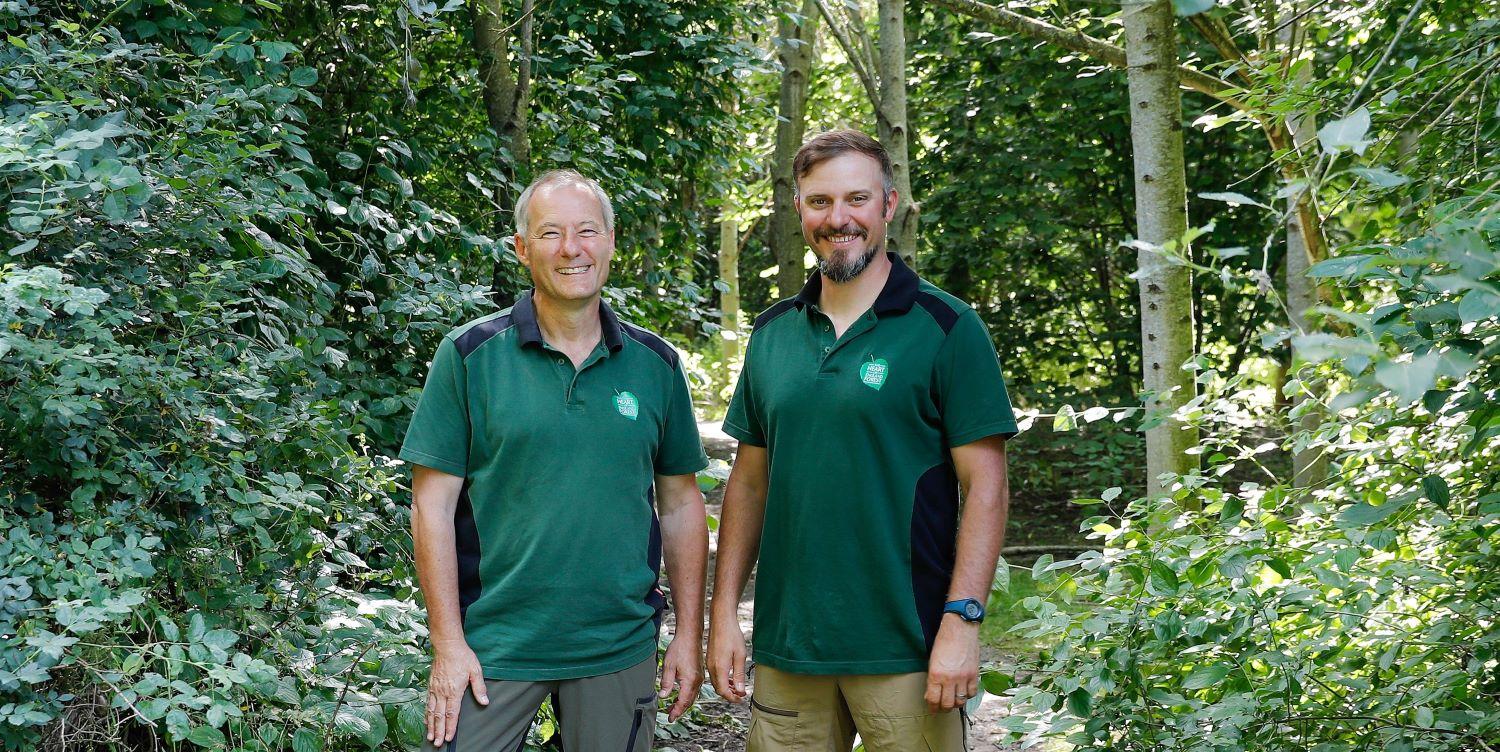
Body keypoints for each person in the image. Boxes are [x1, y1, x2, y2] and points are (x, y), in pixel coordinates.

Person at [707, 130, 1016, 751]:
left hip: (906, 644)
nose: (838, 218)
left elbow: (986, 485)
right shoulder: (772, 334)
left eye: (857, 199)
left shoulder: (947, 327)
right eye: (820, 201)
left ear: (888, 205)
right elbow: (748, 483)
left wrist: (963, 620)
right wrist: (723, 618)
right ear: (797, 209)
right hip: (790, 646)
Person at [401, 169, 709, 751]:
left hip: (616, 645)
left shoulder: (656, 365)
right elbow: (431, 506)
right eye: (551, 234)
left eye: (588, 231)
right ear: (522, 248)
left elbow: (680, 503)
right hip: (494, 644)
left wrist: (688, 636)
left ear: (611, 241)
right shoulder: (470, 357)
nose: (572, 249)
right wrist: (448, 643)